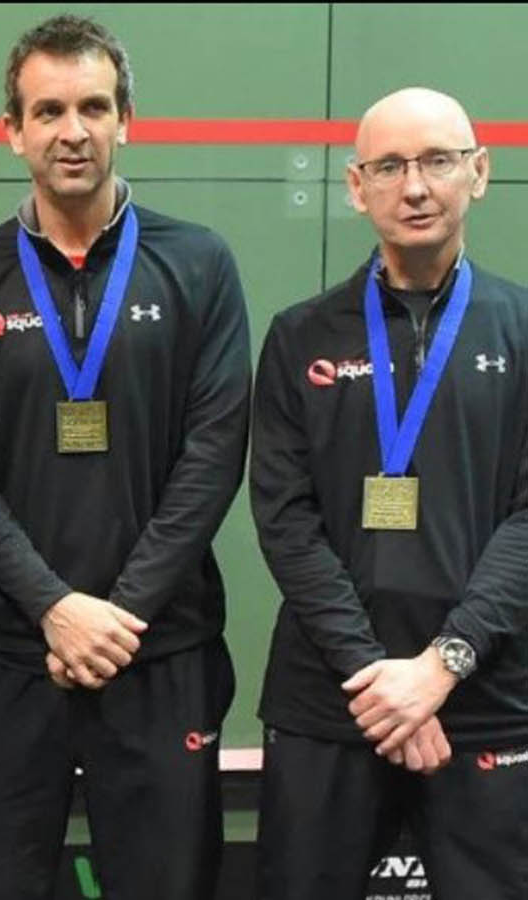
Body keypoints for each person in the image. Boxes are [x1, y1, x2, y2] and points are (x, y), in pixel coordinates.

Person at [0, 15, 251, 898]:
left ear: (125, 119)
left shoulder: (198, 263)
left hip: (160, 648)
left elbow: (212, 454)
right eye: (50, 109)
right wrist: (55, 609)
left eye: (93, 107)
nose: (73, 130)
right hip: (6, 652)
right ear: (13, 130)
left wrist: (118, 614)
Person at [251, 87, 528, 900]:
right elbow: (283, 518)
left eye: (437, 161)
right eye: (390, 165)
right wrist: (378, 679)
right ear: (354, 184)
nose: (415, 185)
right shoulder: (298, 336)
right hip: (331, 699)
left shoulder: (520, 329)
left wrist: (441, 667)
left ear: (478, 172)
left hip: (485, 696)